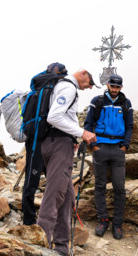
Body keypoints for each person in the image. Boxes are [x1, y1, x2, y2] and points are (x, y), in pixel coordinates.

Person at [37, 68, 99, 256]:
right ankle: (39, 244)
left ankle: (62, 247)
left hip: (54, 143)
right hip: (58, 146)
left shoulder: (59, 87)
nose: (88, 88)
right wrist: (82, 132)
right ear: (83, 74)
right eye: (89, 83)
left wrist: (72, 136)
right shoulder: (69, 88)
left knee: (67, 198)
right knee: (54, 194)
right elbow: (54, 117)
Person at [84, 74, 134, 240]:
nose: (114, 89)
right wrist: (93, 146)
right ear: (107, 85)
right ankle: (103, 220)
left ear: (121, 87)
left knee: (119, 187)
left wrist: (125, 146)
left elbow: (129, 126)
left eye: (117, 87)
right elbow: (88, 123)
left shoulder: (126, 103)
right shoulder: (97, 101)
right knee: (100, 186)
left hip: (118, 149)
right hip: (101, 147)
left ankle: (117, 224)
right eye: (112, 86)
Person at [22, 62, 68, 226]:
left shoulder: (38, 85)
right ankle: (38, 220)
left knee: (31, 180)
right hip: (47, 140)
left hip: (35, 139)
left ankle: (29, 218)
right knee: (51, 181)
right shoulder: (54, 86)